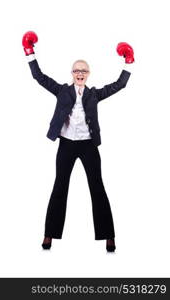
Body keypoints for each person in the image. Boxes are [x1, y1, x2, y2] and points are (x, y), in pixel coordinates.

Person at [22, 31, 134, 252]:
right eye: (76, 70)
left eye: (83, 70)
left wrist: (128, 61)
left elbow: (119, 85)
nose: (80, 73)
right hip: (66, 144)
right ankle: (49, 235)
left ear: (88, 74)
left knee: (97, 186)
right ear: (72, 74)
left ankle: (108, 236)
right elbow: (39, 77)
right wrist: (29, 52)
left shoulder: (94, 94)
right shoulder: (62, 91)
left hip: (88, 145)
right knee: (60, 186)